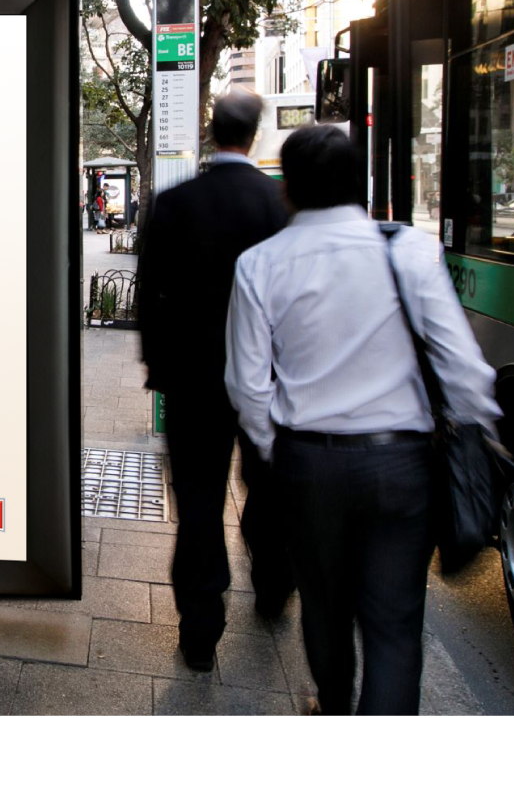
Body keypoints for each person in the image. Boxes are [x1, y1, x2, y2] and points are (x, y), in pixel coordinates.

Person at [225, 124, 501, 715]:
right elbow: (467, 374)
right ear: (361, 184)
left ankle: (332, 705)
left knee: (324, 609)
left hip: (307, 463)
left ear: (288, 191)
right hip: (402, 466)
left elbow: (247, 386)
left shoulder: (260, 264)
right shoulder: (408, 251)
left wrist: (279, 450)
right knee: (395, 625)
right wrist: (475, 438)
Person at [136, 90, 291, 671]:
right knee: (269, 486)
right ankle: (275, 584)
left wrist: (158, 364)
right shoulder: (277, 206)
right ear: (253, 136)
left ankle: (200, 628)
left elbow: (148, 292)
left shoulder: (177, 202)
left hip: (192, 381)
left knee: (199, 502)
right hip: (269, 381)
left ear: (210, 131)